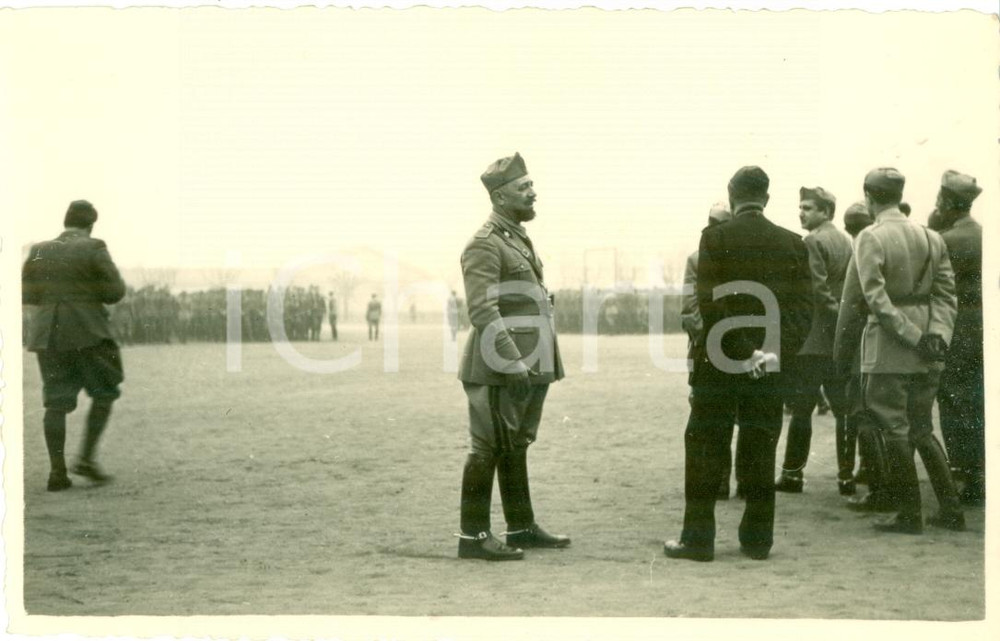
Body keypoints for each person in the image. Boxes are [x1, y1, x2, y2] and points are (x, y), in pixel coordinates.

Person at [663, 166, 812, 562]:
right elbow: (803, 311)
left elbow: (711, 306)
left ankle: (698, 539)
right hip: (771, 364)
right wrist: (772, 352)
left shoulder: (714, 238)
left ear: (732, 197)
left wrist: (745, 351)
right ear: (766, 198)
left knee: (705, 444)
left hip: (720, 360)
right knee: (761, 443)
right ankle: (758, 540)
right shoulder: (793, 243)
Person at [834, 168, 962, 534]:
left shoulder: (870, 237)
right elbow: (946, 295)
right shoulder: (931, 237)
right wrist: (936, 334)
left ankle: (908, 515)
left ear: (869, 196)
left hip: (890, 346)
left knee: (893, 427)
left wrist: (910, 334)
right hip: (930, 345)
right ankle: (951, 509)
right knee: (922, 428)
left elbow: (874, 298)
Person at [455, 152, 569, 561]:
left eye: (531, 185)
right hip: (500, 366)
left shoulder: (515, 237)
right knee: (487, 446)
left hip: (530, 361)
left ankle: (521, 526)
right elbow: (483, 310)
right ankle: (472, 537)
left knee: (516, 443)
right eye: (524, 187)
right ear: (501, 197)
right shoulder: (484, 244)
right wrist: (512, 361)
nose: (533, 192)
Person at [22, 200, 126, 491]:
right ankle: (86, 460)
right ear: (91, 225)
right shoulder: (94, 247)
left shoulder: (40, 249)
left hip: (48, 334)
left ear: (65, 222)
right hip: (87, 331)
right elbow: (115, 292)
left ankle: (57, 473)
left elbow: (26, 293)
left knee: (55, 402)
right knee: (105, 391)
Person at [775, 187, 853, 495]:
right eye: (801, 207)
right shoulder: (845, 241)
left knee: (802, 409)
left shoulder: (811, 242)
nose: (801, 213)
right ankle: (846, 477)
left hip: (812, 340)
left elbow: (817, 291)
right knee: (843, 410)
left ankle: (793, 475)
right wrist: (845, 322)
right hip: (838, 341)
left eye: (808, 208)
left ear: (826, 211)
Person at [681, 202, 745, 500]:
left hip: (723, 347)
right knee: (720, 413)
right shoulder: (698, 259)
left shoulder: (708, 257)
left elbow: (691, 309)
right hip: (718, 348)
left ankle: (724, 480)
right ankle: (727, 481)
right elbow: (690, 308)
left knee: (720, 414)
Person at [934, 170, 984, 506]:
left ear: (949, 201)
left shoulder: (948, 240)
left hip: (958, 328)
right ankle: (979, 473)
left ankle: (965, 474)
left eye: (940, 198)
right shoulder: (981, 234)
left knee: (953, 400)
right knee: (977, 400)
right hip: (982, 328)